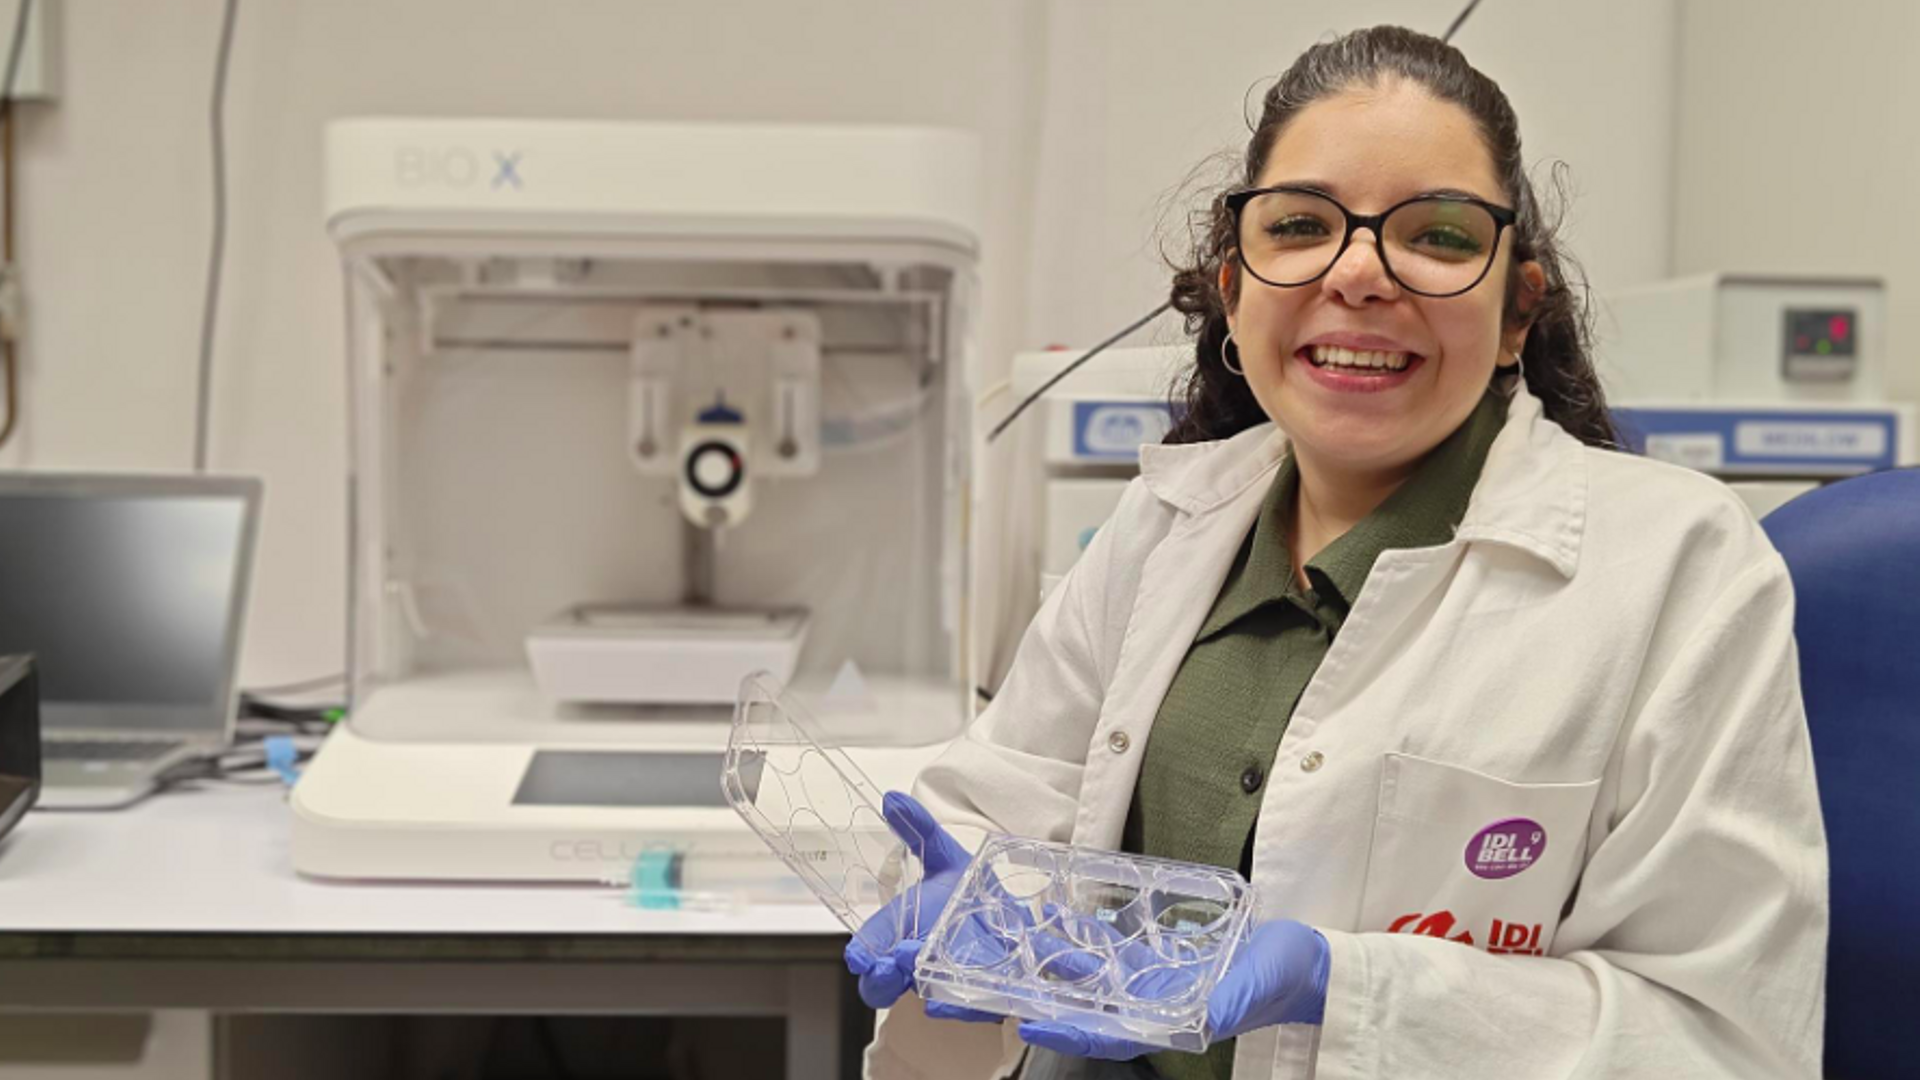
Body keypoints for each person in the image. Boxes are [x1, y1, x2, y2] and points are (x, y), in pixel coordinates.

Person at [846, 24, 1828, 1080]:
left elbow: (1727, 1042)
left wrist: (1347, 989)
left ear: (1515, 315)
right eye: (1302, 225)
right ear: (1234, 289)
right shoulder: (1162, 528)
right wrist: (958, 913)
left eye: (1440, 235)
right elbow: (995, 811)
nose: (1358, 273)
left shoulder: (1677, 569)